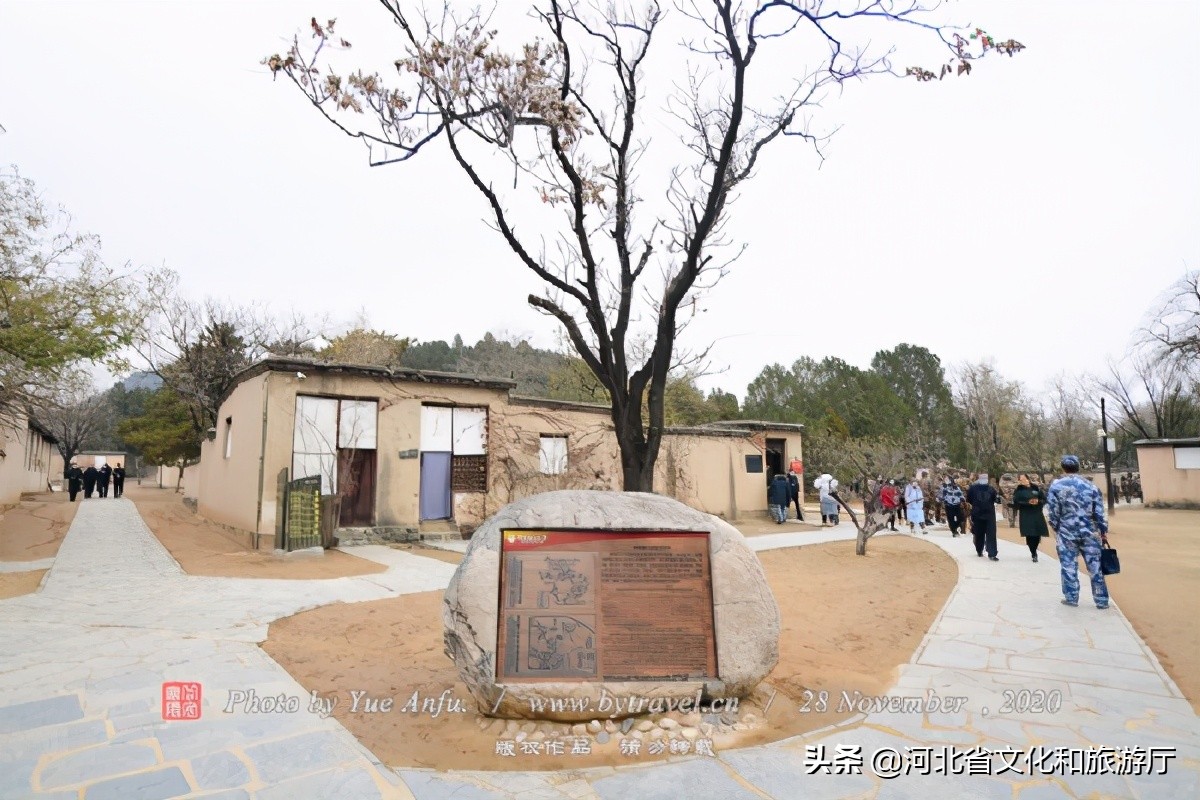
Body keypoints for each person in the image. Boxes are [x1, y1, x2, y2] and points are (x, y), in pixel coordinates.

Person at [1047, 455, 1111, 609]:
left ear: (1063, 467)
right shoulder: (1091, 486)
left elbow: (1053, 511)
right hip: (1090, 531)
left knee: (1068, 565)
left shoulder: (1056, 486)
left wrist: (1057, 527)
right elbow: (1100, 513)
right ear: (1078, 467)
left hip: (1067, 531)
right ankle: (1101, 600)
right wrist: (1102, 530)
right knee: (1095, 566)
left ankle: (1071, 597)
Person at [1012, 473, 1049, 562]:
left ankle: (1035, 549)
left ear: (1028, 479)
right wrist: (1028, 503)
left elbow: (1044, 499)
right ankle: (1033, 553)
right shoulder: (1018, 491)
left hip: (1037, 513)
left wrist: (1038, 501)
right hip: (1026, 514)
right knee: (1029, 534)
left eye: (1024, 479)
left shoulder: (1035, 488)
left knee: (1037, 534)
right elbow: (1016, 502)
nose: (1023, 481)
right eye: (1021, 480)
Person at [966, 473, 1002, 560]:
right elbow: (969, 499)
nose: (984, 480)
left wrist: (998, 498)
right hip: (977, 514)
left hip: (989, 514)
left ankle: (992, 553)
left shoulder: (991, 489)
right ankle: (979, 550)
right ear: (979, 479)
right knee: (979, 533)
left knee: (991, 533)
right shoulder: (973, 488)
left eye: (985, 478)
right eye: (982, 478)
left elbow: (996, 499)